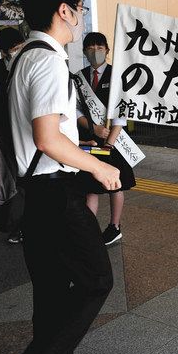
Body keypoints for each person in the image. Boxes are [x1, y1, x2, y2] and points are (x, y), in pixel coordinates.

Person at [10, 0, 120, 354]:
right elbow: (47, 138)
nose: (82, 16)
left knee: (52, 293)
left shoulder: (25, 55)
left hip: (35, 193)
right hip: (55, 192)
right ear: (64, 11)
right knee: (96, 281)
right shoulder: (50, 61)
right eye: (80, 8)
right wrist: (98, 167)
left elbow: (45, 134)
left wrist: (78, 145)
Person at [76, 32, 136, 246]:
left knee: (115, 185)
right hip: (90, 138)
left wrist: (109, 140)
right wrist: (93, 128)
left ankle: (114, 227)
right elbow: (75, 110)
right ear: (84, 51)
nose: (95, 51)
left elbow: (123, 110)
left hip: (115, 140)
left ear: (107, 50)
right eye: (90, 47)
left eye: (99, 47)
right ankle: (90, 230)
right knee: (90, 186)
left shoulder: (117, 75)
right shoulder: (78, 77)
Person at [0, 27, 26, 244]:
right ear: (2, 52)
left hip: (29, 134)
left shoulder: (31, 64)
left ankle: (33, 223)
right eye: (12, 49)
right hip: (6, 135)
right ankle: (17, 226)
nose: (17, 52)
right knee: (13, 181)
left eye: (20, 47)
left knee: (31, 180)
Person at [0, 27, 25, 95]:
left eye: (22, 47)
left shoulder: (29, 63)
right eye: (16, 49)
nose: (21, 52)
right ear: (3, 52)